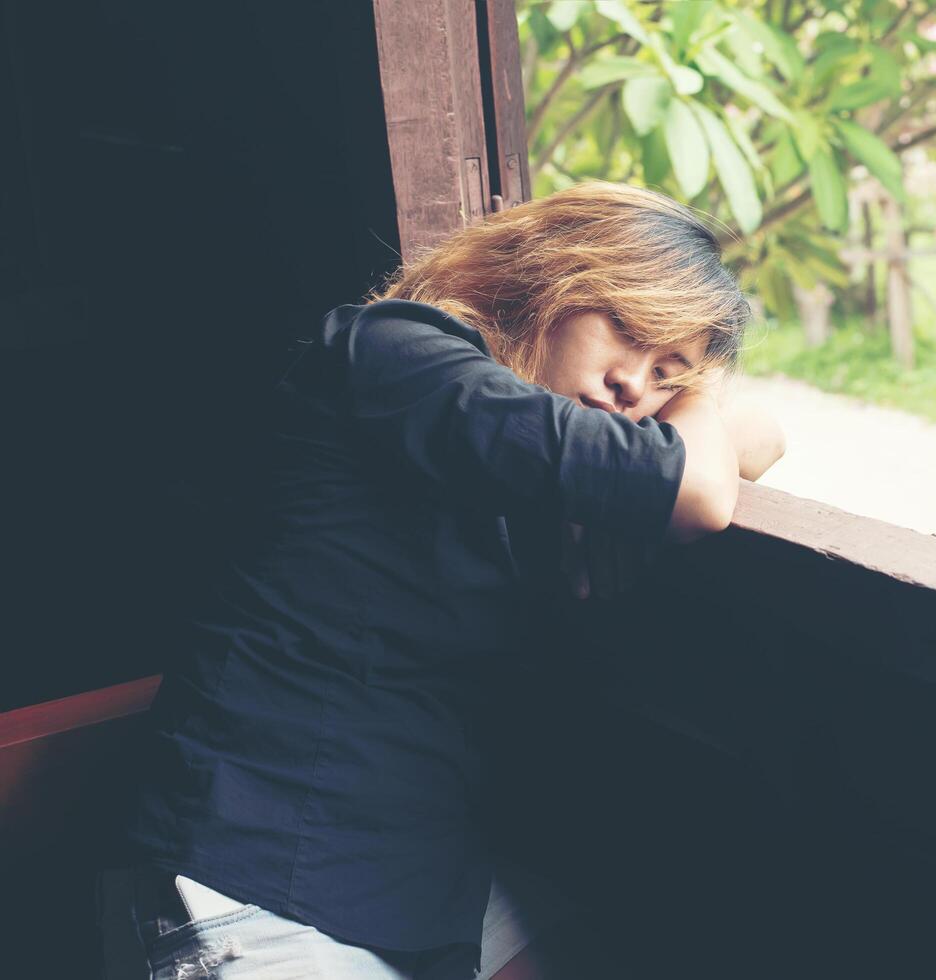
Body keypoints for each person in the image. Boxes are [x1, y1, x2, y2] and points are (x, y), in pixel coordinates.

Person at [95, 182, 786, 979]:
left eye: (666, 374)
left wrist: (697, 399)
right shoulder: (397, 350)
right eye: (628, 330)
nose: (637, 386)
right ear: (551, 274)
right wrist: (675, 441)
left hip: (407, 871)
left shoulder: (511, 444)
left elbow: (760, 437)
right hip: (254, 863)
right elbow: (699, 493)